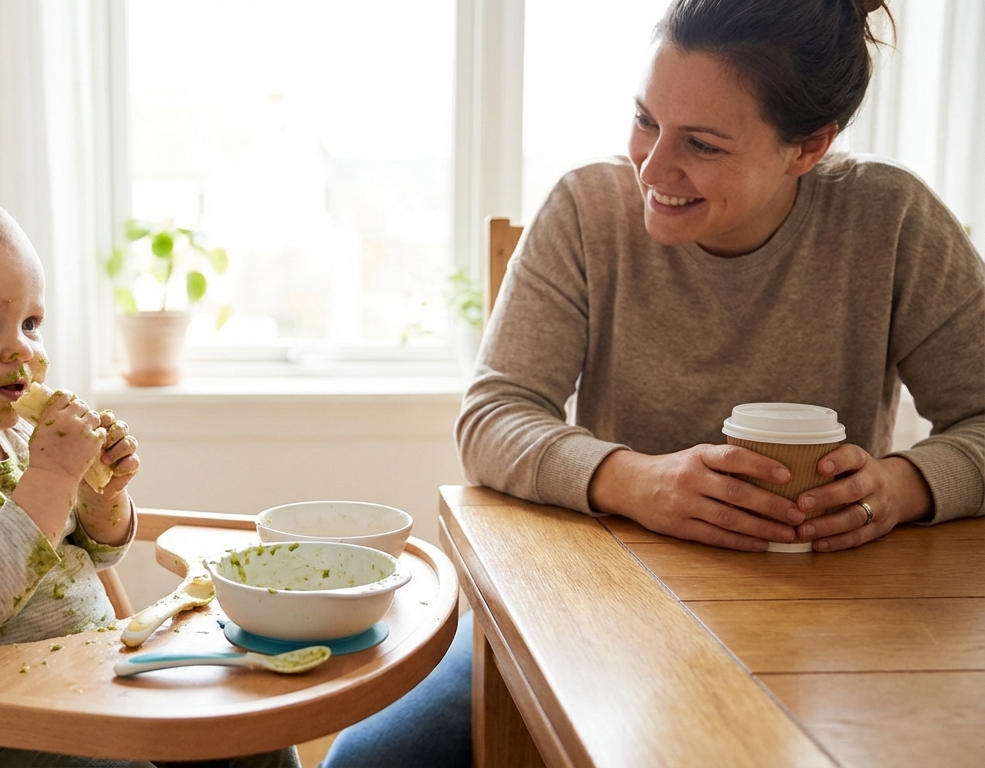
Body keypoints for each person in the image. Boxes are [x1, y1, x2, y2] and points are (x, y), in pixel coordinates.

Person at [323, 0, 985, 764]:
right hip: (594, 613)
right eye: (646, 120)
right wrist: (635, 482)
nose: (652, 166)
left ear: (808, 147)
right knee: (371, 761)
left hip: (829, 616)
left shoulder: (891, 221)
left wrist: (903, 488)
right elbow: (494, 415)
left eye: (700, 145)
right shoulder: (587, 211)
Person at [0, 181, 299, 768]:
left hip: (85, 691)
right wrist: (52, 475)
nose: (23, 350)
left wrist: (100, 497)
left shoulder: (18, 436)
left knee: (252, 740)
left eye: (31, 322)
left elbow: (91, 558)